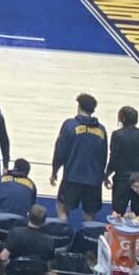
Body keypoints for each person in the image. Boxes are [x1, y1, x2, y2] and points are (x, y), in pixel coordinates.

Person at [48, 94, 106, 225]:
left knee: (62, 208)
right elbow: (103, 156)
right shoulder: (101, 130)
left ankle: (62, 235)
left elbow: (60, 151)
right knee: (89, 213)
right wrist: (103, 176)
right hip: (94, 180)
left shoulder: (69, 125)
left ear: (79, 107)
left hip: (72, 178)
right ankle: (88, 241)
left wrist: (54, 170)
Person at [106, 107, 139, 215]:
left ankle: (116, 232)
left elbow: (114, 158)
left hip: (121, 181)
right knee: (138, 215)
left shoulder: (117, 135)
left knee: (117, 214)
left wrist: (107, 175)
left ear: (122, 118)